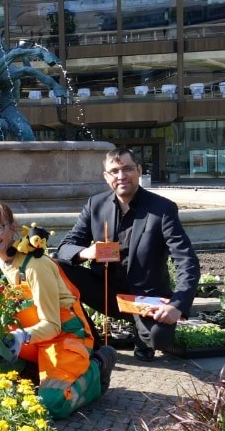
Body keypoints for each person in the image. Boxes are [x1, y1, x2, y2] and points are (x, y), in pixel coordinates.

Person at [0, 199, 115, 420]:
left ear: (12, 227)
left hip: (63, 337)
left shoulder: (35, 265)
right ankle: (26, 375)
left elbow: (52, 325)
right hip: (27, 338)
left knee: (53, 404)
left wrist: (21, 336)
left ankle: (98, 367)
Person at [55, 148, 201, 362]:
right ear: (106, 177)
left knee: (158, 338)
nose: (121, 176)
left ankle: (142, 336)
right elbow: (65, 248)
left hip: (145, 296)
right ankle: (92, 341)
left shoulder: (162, 209)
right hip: (104, 291)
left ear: (139, 170)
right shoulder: (95, 205)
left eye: (127, 169)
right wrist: (88, 252)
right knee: (54, 268)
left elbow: (186, 261)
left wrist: (176, 305)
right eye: (114, 171)